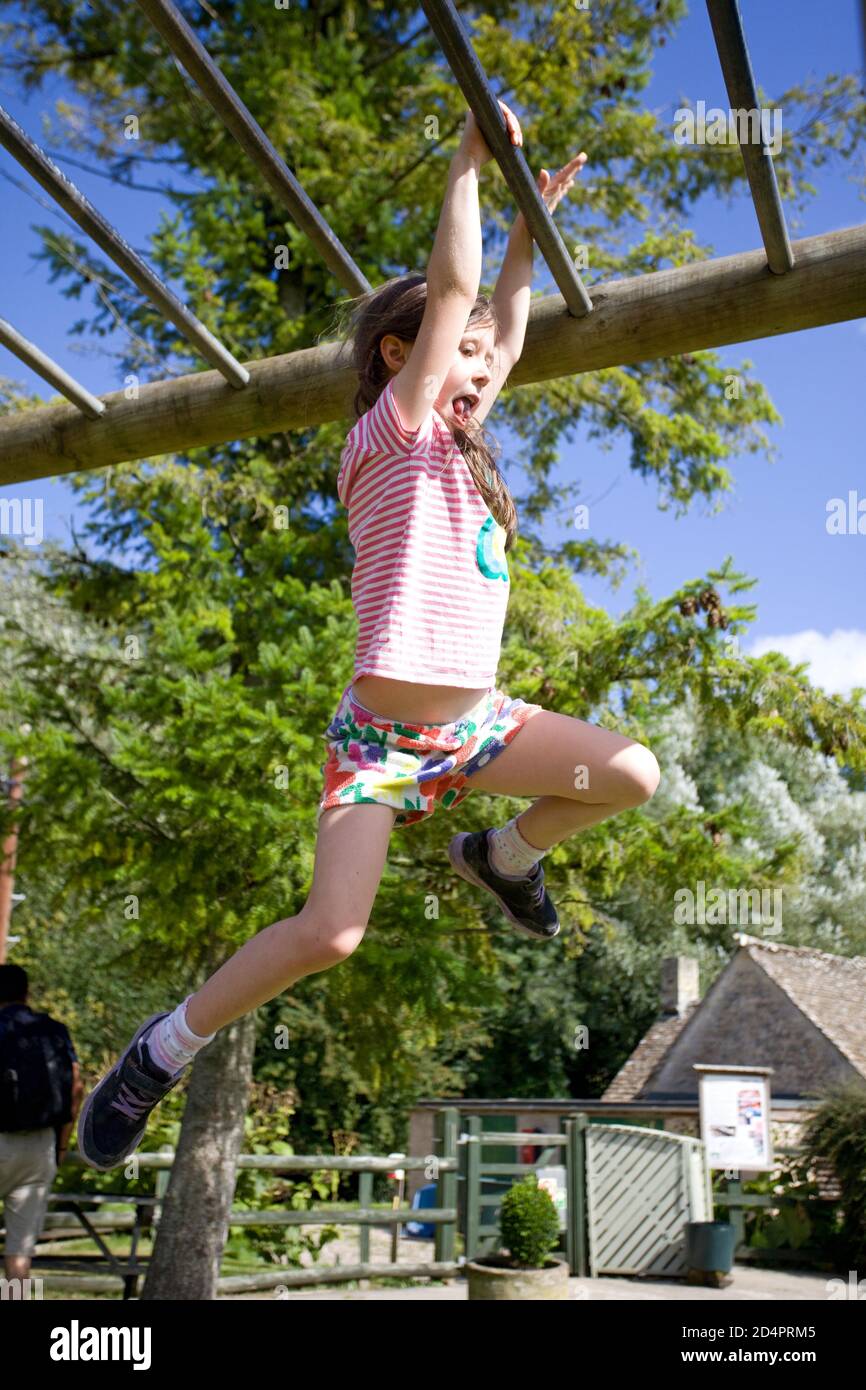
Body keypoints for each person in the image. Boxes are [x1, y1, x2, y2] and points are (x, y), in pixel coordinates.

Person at [78, 103, 660, 1173]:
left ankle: (499, 853)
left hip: (478, 727)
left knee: (630, 771)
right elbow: (454, 296)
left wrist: (530, 232)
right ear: (403, 357)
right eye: (460, 356)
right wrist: (468, 167)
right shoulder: (390, 432)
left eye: (488, 361)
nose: (483, 369)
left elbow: (502, 315)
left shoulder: (471, 446)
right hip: (380, 741)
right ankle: (158, 1052)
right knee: (330, 934)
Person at [0, 963, 83, 1282]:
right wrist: (61, 1143)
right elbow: (75, 1087)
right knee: (19, 1251)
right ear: (27, 993)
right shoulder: (54, 1030)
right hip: (40, 1146)